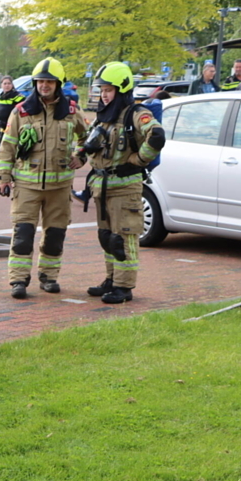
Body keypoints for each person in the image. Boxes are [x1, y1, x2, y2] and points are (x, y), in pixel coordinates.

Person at [0, 58, 88, 299]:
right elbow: (7, 146)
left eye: (49, 81)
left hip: (59, 187)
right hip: (27, 186)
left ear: (58, 84)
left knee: (55, 236)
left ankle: (49, 277)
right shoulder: (21, 111)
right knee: (23, 234)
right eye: (40, 81)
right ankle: (18, 280)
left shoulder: (71, 111)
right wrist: (3, 177)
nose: (44, 85)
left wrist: (81, 155)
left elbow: (88, 137)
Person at [81, 62, 165, 305]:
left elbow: (157, 135)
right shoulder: (104, 116)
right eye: (102, 90)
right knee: (107, 236)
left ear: (122, 89)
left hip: (125, 188)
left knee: (124, 238)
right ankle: (111, 280)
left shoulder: (135, 113)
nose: (104, 95)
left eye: (108, 90)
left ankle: (124, 287)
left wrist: (138, 160)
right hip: (103, 187)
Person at [0, 75, 24, 192]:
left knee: (14, 156)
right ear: (1, 85)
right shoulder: (1, 97)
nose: (7, 85)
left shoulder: (18, 97)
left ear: (12, 85)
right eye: (4, 83)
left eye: (8, 83)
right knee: (2, 156)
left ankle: (17, 181)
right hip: (3, 131)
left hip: (15, 131)